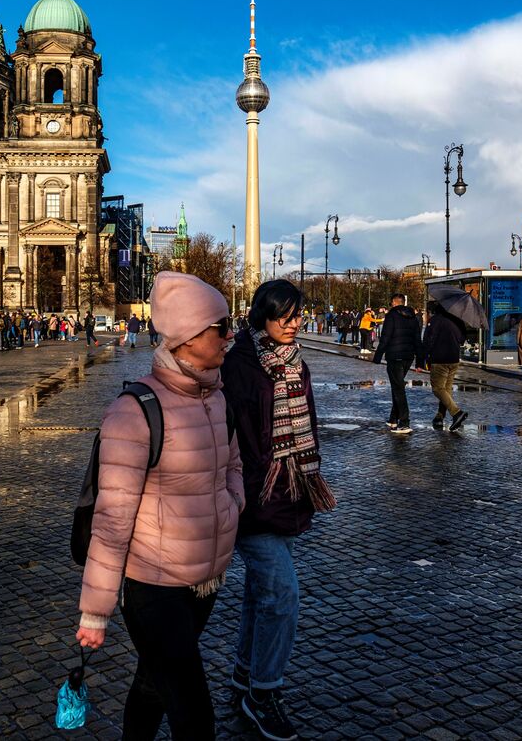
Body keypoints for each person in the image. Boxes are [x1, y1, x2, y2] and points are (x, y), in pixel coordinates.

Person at [77, 272, 242, 740]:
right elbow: (112, 521)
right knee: (194, 716)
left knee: (153, 684)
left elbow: (235, 466)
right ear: (188, 337)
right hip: (152, 584)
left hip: (205, 579)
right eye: (221, 327)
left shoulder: (218, 396)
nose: (230, 336)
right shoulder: (134, 411)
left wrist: (230, 505)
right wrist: (95, 611)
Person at [222, 279, 335, 741]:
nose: (293, 324)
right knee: (283, 595)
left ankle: (245, 673)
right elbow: (231, 439)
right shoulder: (241, 368)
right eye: (283, 316)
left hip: (287, 494)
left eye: (296, 315)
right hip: (254, 498)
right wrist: (245, 487)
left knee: (261, 591)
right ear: (260, 316)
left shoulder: (293, 361)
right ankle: (263, 693)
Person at [372, 293, 422, 434]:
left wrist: (377, 356)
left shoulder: (392, 316)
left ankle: (404, 422)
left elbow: (385, 337)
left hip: (394, 356)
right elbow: (418, 339)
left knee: (399, 389)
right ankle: (393, 419)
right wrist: (419, 361)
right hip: (408, 356)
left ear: (394, 303)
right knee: (397, 386)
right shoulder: (413, 317)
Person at [421, 301, 469, 431]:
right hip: (453, 359)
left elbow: (427, 341)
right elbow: (462, 338)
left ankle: (457, 413)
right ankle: (439, 417)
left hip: (439, 359)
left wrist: (424, 358)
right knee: (446, 391)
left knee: (437, 389)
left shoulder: (435, 321)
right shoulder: (456, 320)